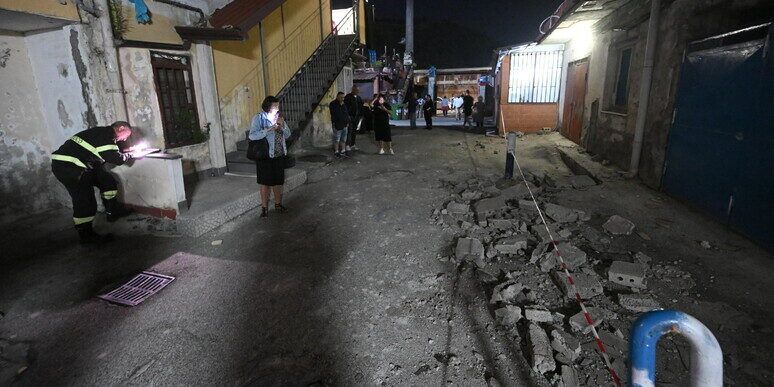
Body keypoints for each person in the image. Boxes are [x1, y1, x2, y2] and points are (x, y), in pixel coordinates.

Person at [51, 121, 135, 244]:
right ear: (121, 128)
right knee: (85, 201)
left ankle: (113, 212)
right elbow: (115, 159)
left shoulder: (103, 134)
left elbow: (107, 150)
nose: (126, 138)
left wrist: (125, 151)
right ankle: (86, 236)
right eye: (127, 135)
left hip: (81, 165)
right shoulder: (106, 135)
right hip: (69, 168)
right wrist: (130, 155)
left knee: (107, 181)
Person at [250, 96, 291, 218]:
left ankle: (278, 205)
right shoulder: (259, 118)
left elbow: (288, 135)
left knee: (277, 182)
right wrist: (268, 130)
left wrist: (282, 126)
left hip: (278, 155)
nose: (277, 108)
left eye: (278, 106)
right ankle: (264, 208)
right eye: (275, 106)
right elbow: (252, 136)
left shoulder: (279, 118)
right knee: (265, 183)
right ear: (268, 106)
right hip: (265, 156)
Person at [329, 91, 350, 158]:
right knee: (337, 139)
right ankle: (336, 151)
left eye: (343, 97)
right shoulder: (333, 104)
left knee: (343, 139)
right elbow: (335, 114)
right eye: (341, 97)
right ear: (337, 97)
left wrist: (347, 122)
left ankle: (343, 150)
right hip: (337, 125)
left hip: (344, 125)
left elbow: (346, 113)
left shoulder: (344, 104)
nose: (342, 99)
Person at [343, 85, 363, 153]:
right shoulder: (348, 97)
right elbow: (345, 107)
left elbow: (360, 107)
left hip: (356, 117)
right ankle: (347, 145)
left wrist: (360, 116)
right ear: (353, 90)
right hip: (350, 116)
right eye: (356, 90)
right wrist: (347, 116)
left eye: (358, 90)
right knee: (349, 131)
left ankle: (353, 144)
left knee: (354, 131)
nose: (358, 91)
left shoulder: (359, 98)